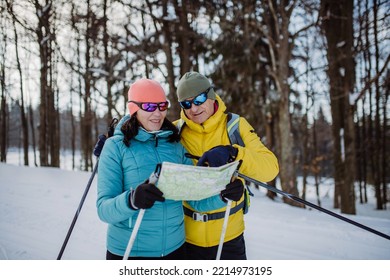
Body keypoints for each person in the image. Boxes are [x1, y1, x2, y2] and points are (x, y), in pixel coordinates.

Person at [174, 71, 279, 260]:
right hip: (186, 240)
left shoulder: (235, 126)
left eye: (198, 99)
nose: (193, 109)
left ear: (211, 94)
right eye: (186, 104)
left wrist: (234, 154)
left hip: (229, 239)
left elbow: (270, 168)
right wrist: (114, 142)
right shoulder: (175, 132)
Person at [95, 78, 193, 259]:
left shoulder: (175, 144)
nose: (157, 113)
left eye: (162, 106)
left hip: (176, 250)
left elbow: (194, 194)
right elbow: (103, 209)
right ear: (134, 108)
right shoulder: (116, 146)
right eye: (149, 106)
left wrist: (221, 193)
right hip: (131, 252)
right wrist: (131, 200)